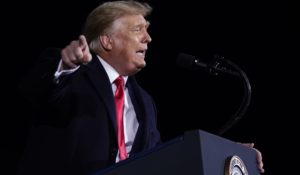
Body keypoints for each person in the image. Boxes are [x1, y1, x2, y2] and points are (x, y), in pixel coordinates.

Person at [18, 1, 264, 175]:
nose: (148, 38)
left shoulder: (144, 102)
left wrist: (223, 153)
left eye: (147, 30)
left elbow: (159, 160)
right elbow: (34, 91)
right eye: (138, 30)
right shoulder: (70, 74)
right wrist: (66, 64)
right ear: (107, 40)